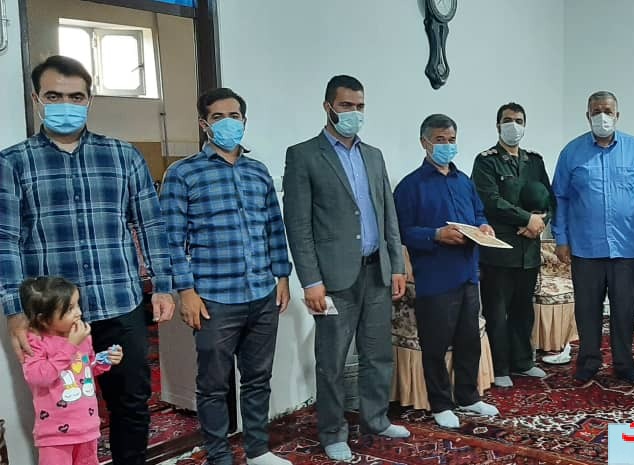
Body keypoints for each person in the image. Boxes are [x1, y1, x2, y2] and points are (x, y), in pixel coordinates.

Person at [1, 55, 174, 465]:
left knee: (131, 404)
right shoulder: (12, 162)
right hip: (51, 319)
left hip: (119, 304)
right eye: (54, 96)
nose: (66, 104)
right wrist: (14, 313)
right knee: (61, 408)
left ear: (89, 99)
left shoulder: (123, 156)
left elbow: (151, 225)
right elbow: (5, 240)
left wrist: (164, 285)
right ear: (37, 100)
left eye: (76, 96)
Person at [160, 88, 293, 465]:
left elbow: (273, 226)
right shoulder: (183, 173)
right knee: (214, 385)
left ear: (244, 121)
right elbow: (170, 239)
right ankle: (219, 455)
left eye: (234, 116)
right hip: (214, 299)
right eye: (218, 117)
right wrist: (186, 291)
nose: (228, 123)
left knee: (257, 378)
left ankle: (258, 450)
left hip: (262, 293)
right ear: (204, 124)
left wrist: (282, 276)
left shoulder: (258, 171)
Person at [282, 75, 409, 461]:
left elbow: (387, 215)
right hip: (333, 280)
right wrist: (311, 281)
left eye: (359, 106)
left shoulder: (373, 155)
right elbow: (298, 225)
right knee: (332, 360)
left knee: (378, 354)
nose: (354, 113)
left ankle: (376, 419)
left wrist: (396, 264)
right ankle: (333, 431)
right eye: (346, 106)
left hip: (376, 272)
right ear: (328, 107)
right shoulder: (304, 155)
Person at [394, 114, 501, 428]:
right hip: (435, 277)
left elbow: (478, 213)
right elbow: (400, 231)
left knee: (469, 340)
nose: (446, 145)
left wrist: (484, 226)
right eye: (440, 140)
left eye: (451, 140)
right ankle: (440, 403)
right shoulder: (410, 186)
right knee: (436, 344)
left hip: (468, 273)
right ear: (424, 142)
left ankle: (468, 396)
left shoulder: (464, 180)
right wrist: (436, 235)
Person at [552, 91, 634, 383]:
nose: (602, 116)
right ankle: (588, 360)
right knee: (587, 309)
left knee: (625, 310)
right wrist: (561, 238)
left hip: (627, 247)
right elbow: (560, 197)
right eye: (596, 111)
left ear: (617, 115)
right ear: (588, 116)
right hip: (585, 248)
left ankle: (624, 362)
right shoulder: (571, 152)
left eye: (608, 111)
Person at [470, 102, 555, 388]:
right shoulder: (486, 161)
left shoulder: (534, 161)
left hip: (528, 250)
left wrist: (540, 222)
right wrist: (526, 218)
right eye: (507, 120)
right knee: (497, 311)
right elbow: (490, 200)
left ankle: (523, 362)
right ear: (498, 125)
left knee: (523, 310)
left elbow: (549, 198)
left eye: (518, 120)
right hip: (499, 249)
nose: (513, 126)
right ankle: (500, 367)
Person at [21, 276, 123, 465]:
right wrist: (70, 346)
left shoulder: (81, 336)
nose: (79, 313)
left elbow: (85, 371)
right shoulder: (36, 342)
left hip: (87, 428)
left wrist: (104, 360)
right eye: (69, 309)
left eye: (77, 305)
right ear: (44, 319)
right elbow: (38, 377)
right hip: (55, 435)